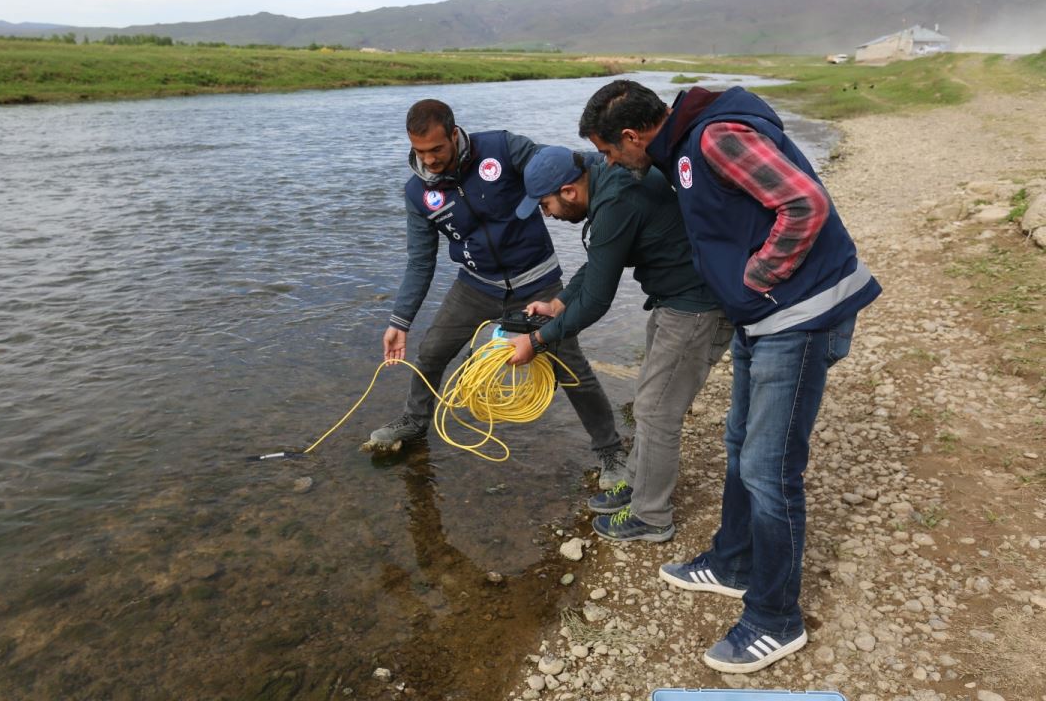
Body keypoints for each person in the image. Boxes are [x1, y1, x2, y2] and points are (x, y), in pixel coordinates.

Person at [578, 79, 881, 674]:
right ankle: (733, 561)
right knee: (740, 445)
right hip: (761, 320)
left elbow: (805, 205)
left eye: (611, 152)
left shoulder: (715, 138)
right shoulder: (685, 146)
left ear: (633, 137)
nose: (610, 164)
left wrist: (757, 277)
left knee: (771, 471)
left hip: (795, 316)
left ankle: (775, 618)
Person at [367, 99, 628, 489]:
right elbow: (421, 262)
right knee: (433, 350)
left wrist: (621, 160)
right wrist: (399, 322)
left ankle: (610, 450)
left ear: (454, 135)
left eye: (437, 149)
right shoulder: (417, 193)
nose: (430, 160)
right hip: (475, 285)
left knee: (571, 367)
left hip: (538, 282)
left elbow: (563, 164)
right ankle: (415, 422)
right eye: (420, 152)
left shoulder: (502, 148)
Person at [504, 146, 732, 543]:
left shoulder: (615, 200)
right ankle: (637, 484)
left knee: (658, 412)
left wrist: (537, 341)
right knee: (649, 400)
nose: (548, 215)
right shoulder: (605, 179)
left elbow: (596, 300)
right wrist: (558, 303)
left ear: (569, 192)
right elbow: (598, 263)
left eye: (546, 205)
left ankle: (651, 516)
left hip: (698, 307)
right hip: (673, 299)